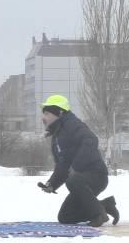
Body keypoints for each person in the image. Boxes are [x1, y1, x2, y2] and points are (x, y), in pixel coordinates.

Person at [38, 95, 119, 227]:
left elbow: (91, 140)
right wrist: (52, 184)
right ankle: (104, 206)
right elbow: (63, 165)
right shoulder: (58, 135)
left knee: (73, 180)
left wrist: (76, 166)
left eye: (47, 113)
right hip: (80, 181)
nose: (44, 118)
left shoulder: (72, 124)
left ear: (59, 112)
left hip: (96, 176)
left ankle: (98, 215)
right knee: (65, 216)